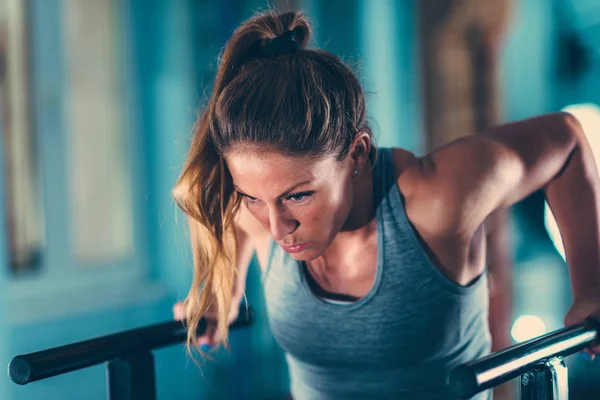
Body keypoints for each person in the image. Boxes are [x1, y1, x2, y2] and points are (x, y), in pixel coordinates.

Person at [171, 9, 600, 400]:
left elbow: (565, 142)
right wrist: (220, 289)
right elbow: (234, 221)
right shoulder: (260, 211)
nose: (277, 225)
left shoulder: (436, 198)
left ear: (357, 153)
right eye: (252, 197)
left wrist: (591, 286)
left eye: (298, 195)